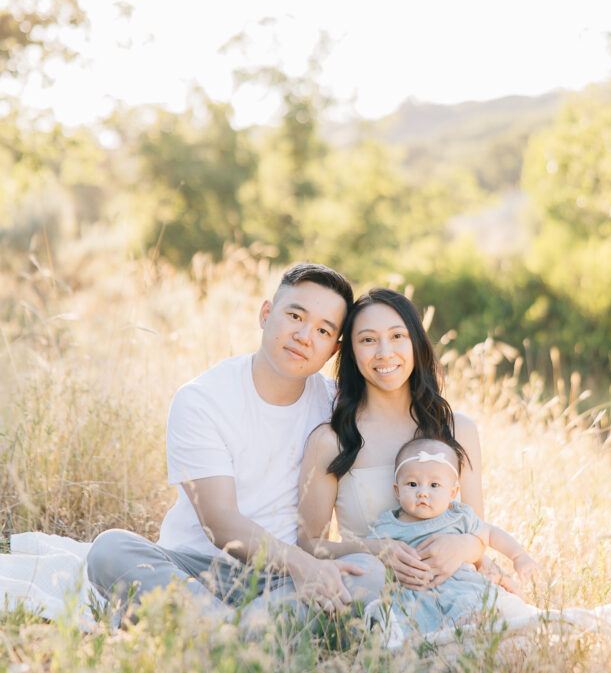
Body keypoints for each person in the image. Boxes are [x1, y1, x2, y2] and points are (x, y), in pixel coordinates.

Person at [86, 263, 385, 622]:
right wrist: (301, 563)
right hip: (195, 570)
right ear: (266, 314)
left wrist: (464, 540)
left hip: (283, 582)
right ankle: (241, 633)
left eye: (323, 330)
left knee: (367, 572)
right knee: (109, 549)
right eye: (295, 316)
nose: (305, 335)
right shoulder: (203, 398)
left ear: (334, 350)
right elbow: (220, 522)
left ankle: (212, 631)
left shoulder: (335, 406)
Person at [297, 287, 523, 596]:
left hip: (453, 590)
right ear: (350, 352)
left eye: (397, 336)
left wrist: (460, 548)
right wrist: (377, 550)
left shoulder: (457, 430)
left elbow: (476, 532)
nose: (384, 353)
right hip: (375, 593)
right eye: (367, 340)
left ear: (416, 342)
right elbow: (309, 545)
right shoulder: (331, 440)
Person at [370, 437, 538, 635]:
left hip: (462, 587)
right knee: (410, 626)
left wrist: (519, 556)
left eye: (434, 485)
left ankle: (477, 627)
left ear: (453, 492)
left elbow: (491, 533)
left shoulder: (458, 516)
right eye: (413, 484)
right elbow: (371, 553)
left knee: (482, 608)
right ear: (397, 491)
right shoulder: (389, 525)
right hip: (417, 595)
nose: (423, 492)